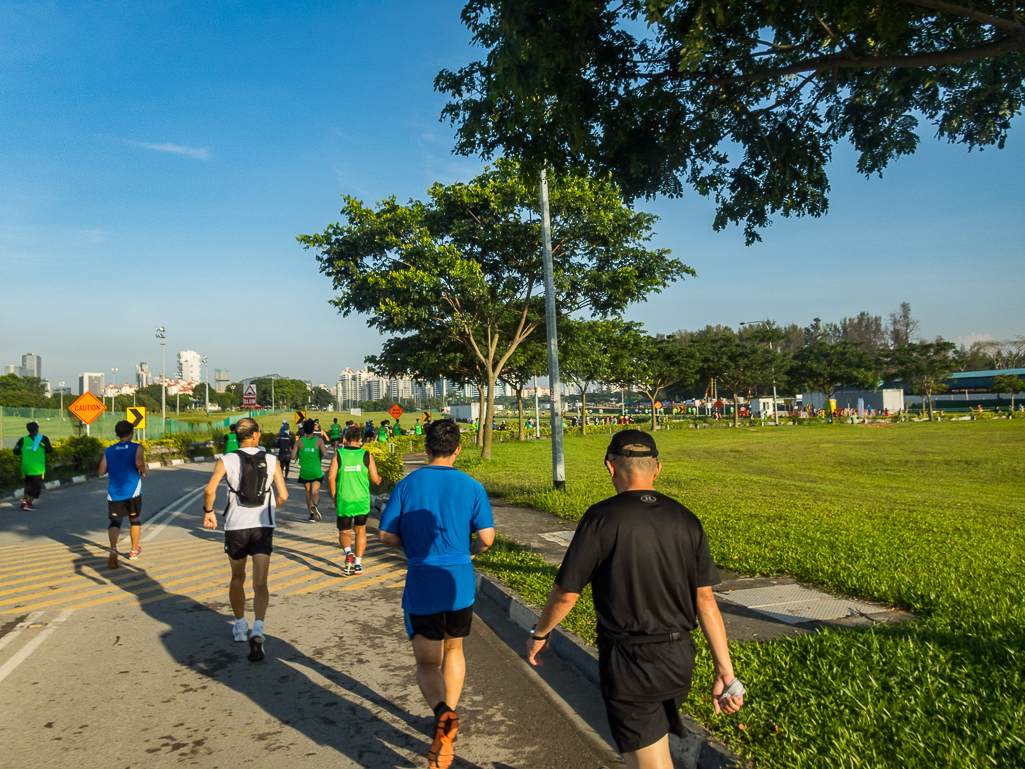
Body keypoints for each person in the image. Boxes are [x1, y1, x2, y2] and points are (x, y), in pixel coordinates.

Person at [526, 430, 743, 769]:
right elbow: (707, 603)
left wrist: (540, 634)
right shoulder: (685, 519)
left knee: (648, 762)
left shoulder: (601, 518)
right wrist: (725, 672)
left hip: (629, 661)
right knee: (652, 751)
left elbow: (567, 593)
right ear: (657, 469)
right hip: (678, 659)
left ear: (610, 467)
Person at [378, 420, 495, 769]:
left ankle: (441, 713)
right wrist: (470, 552)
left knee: (427, 661)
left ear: (426, 448)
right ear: (458, 449)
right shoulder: (472, 486)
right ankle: (450, 721)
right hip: (459, 581)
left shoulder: (407, 485)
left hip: (422, 580)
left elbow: (384, 536)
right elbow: (487, 537)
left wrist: (412, 547)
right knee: (454, 649)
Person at [202, 417, 288, 662]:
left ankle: (240, 626)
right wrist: (270, 508)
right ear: (256, 435)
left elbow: (209, 490)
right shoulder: (271, 460)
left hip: (236, 527)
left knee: (237, 578)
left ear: (237, 437)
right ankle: (258, 628)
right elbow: (283, 494)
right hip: (263, 526)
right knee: (260, 584)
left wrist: (209, 512)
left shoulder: (226, 460)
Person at [327, 425, 382, 575]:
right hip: (362, 501)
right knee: (360, 531)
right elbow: (376, 479)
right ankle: (358, 564)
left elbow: (331, 477)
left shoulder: (339, 454)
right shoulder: (366, 455)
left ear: (344, 439)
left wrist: (334, 496)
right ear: (360, 440)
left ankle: (348, 553)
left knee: (344, 532)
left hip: (344, 499)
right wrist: (379, 480)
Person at [98, 420, 147, 569]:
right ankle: (133, 551)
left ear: (117, 434)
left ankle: (113, 549)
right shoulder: (137, 447)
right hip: (132, 491)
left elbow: (101, 471)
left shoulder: (109, 450)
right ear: (131, 433)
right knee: (134, 519)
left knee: (115, 521)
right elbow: (139, 463)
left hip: (115, 492)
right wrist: (143, 471)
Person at [292, 418, 329, 523]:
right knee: (315, 493)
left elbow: (293, 456)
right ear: (313, 429)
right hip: (316, 471)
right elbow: (326, 454)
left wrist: (301, 452)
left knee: (308, 493)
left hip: (305, 472)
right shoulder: (319, 441)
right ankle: (315, 506)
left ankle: (311, 515)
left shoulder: (299, 442)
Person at [13, 422, 53, 511]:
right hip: (37, 468)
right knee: (36, 486)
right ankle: (29, 504)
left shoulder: (23, 440)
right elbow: (49, 450)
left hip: (26, 467)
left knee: (28, 483)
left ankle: (24, 501)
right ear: (37, 429)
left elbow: (16, 451)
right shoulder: (43, 439)